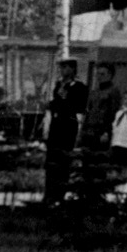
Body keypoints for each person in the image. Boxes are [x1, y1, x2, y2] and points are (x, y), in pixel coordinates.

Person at [40, 58, 88, 207]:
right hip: (56, 124)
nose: (63, 71)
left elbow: (80, 107)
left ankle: (60, 194)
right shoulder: (58, 85)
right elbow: (56, 104)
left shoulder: (79, 87)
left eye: (66, 67)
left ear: (73, 69)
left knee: (63, 159)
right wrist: (50, 104)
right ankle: (49, 193)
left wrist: (64, 98)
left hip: (68, 124)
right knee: (51, 159)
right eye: (62, 68)